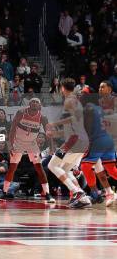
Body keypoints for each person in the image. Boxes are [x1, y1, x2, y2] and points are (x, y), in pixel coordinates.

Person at [45, 78, 91, 209]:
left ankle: (78, 192)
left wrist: (54, 124)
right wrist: (56, 134)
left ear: (62, 88)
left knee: (52, 165)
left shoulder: (69, 100)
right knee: (65, 170)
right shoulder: (75, 101)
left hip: (74, 140)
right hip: (81, 140)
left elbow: (72, 120)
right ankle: (83, 198)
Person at [3, 98, 55, 203]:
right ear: (29, 104)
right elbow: (12, 128)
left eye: (37, 102)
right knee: (12, 167)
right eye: (33, 101)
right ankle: (4, 192)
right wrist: (10, 145)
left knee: (39, 167)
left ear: (40, 105)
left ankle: (47, 194)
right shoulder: (21, 112)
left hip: (32, 144)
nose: (35, 103)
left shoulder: (42, 117)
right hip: (18, 142)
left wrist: (52, 147)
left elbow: (48, 134)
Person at [79, 82, 117, 206]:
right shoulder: (98, 107)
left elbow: (86, 127)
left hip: (97, 141)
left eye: (83, 94)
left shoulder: (88, 108)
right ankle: (108, 193)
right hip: (107, 139)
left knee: (85, 166)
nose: (81, 96)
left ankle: (95, 194)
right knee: (111, 170)